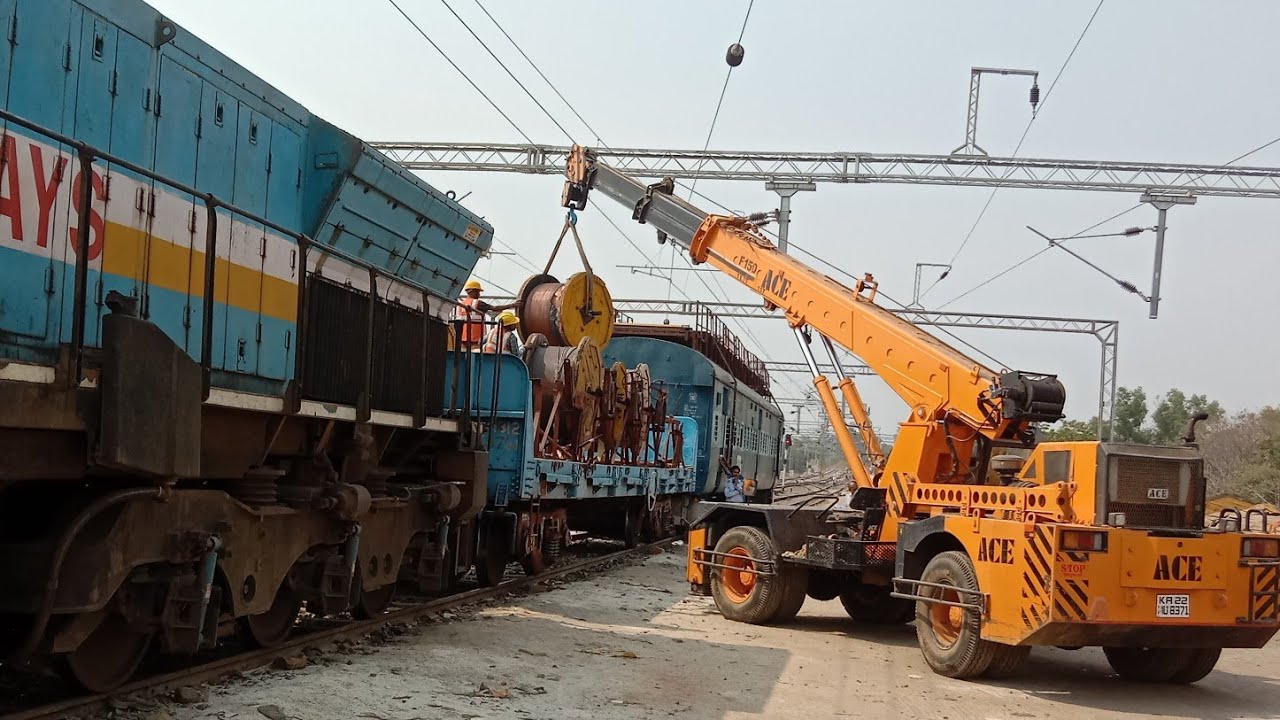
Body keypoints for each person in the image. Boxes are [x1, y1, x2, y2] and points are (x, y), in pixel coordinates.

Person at [455, 279, 518, 350]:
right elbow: (494, 308)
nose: (479, 294)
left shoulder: (461, 305)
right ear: (471, 291)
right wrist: (512, 305)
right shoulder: (477, 303)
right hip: (475, 339)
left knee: (462, 358)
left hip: (461, 339)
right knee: (474, 358)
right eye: (477, 292)